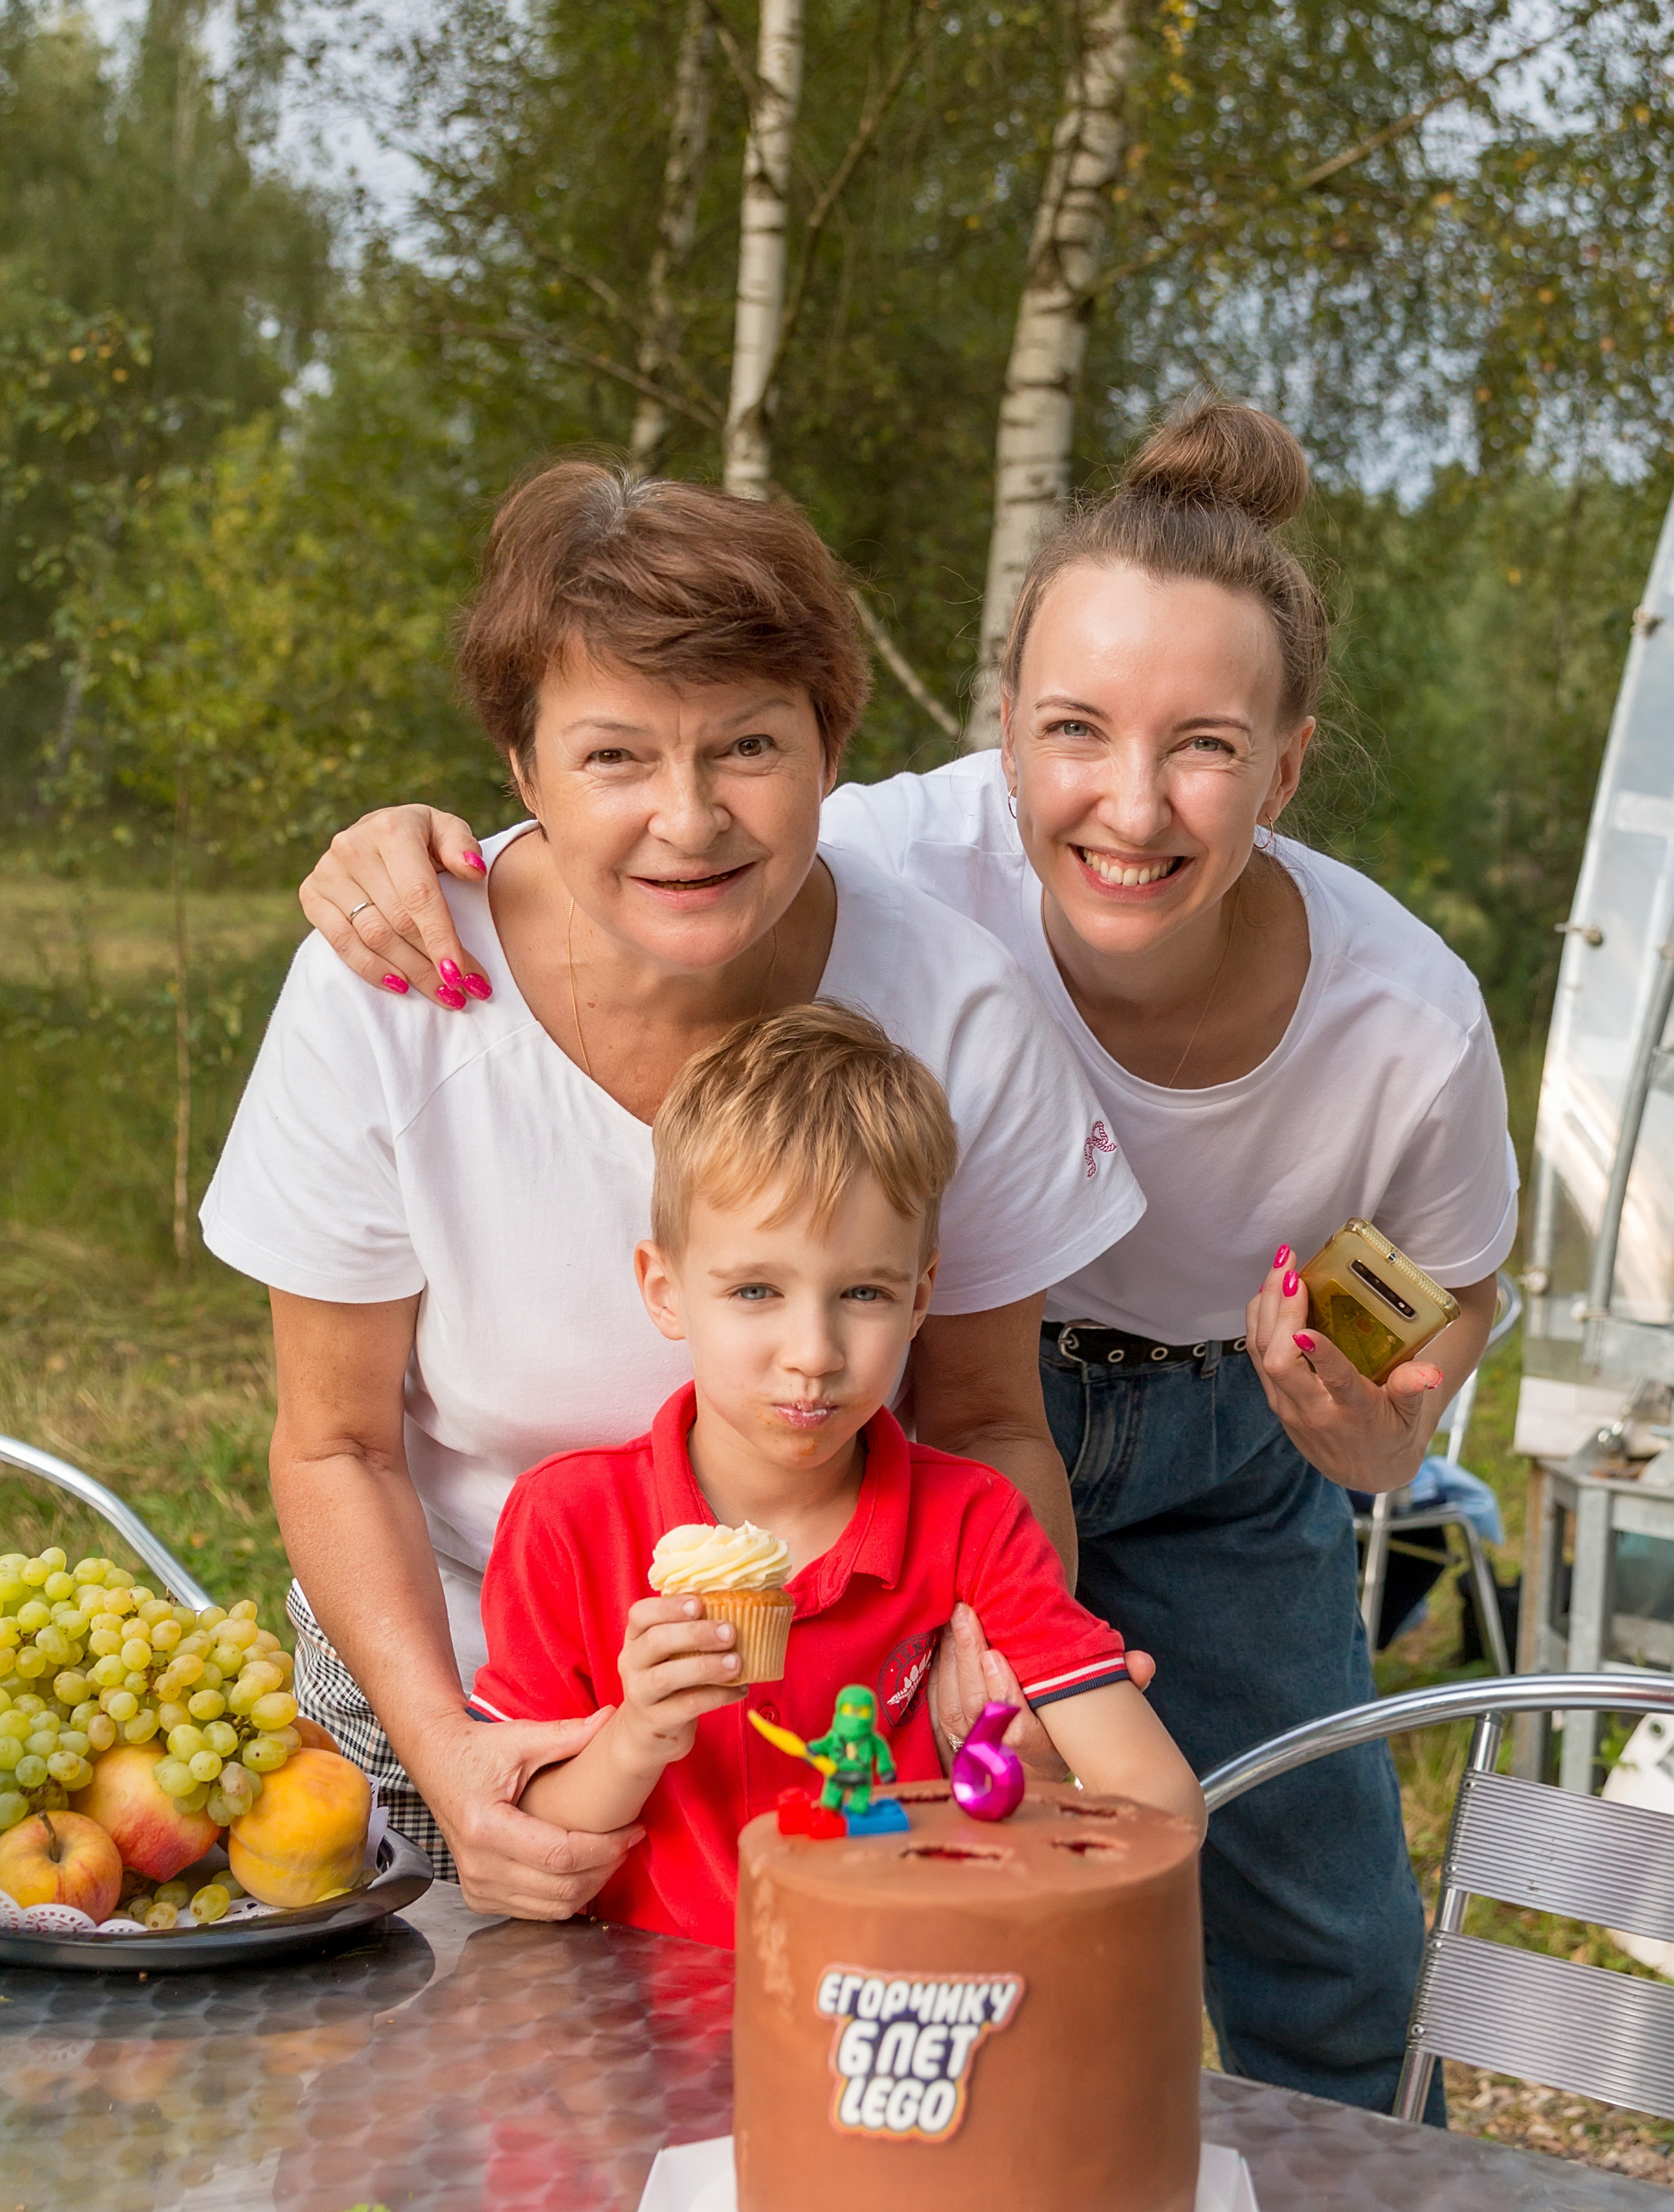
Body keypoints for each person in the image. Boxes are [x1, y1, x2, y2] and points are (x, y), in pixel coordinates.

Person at [298, 401, 1516, 2119]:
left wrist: (1359, 1443)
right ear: (999, 740)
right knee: (569, 2036)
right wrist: (391, 844)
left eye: (1209, 748)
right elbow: (626, 794)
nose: (1133, 802)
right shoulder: (806, 860)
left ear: (1288, 763)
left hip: (1158, 1443)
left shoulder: (1370, 1019)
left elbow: (1407, 1307)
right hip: (722, 1512)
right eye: (1078, 732)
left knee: (1315, 1935)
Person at [200, 462, 1146, 1916]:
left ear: (831, 748)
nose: (689, 820)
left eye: (746, 747)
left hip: (818, 1724)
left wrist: (989, 1650)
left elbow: (986, 1422)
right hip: (437, 1679)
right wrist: (458, 1762)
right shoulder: (389, 993)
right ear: (519, 772)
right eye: (614, 758)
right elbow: (336, 1450)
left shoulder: (953, 1008)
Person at [471, 1004, 1199, 1944]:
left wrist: (1032, 1788)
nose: (812, 1354)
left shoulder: (972, 1522)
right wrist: (639, 1734)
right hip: (643, 2035)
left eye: (863, 1293)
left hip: (900, 2016)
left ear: (921, 1298)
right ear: (665, 1290)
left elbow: (1159, 1797)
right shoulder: (570, 1520)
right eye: (756, 1292)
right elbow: (533, 1846)